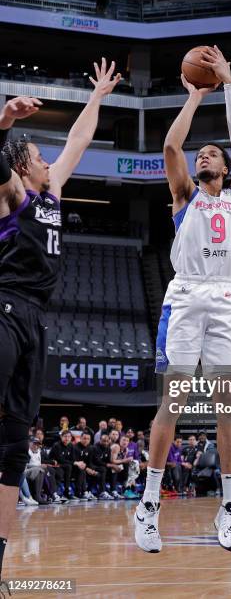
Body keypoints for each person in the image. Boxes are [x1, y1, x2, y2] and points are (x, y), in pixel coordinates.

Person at [0, 60, 121, 589]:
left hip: (37, 321)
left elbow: (78, 139)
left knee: (13, 441)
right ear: (22, 168)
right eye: (39, 157)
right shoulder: (14, 196)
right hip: (3, 306)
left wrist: (96, 96)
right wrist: (4, 121)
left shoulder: (52, 194)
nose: (50, 161)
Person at [135, 45, 231, 554]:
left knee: (229, 406)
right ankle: (148, 504)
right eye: (201, 154)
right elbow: (169, 148)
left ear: (226, 170)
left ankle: (229, 508)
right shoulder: (184, 193)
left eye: (213, 155)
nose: (204, 156)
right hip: (184, 294)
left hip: (224, 296)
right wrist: (195, 96)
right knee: (175, 399)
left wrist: (228, 85)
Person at [90, 433, 114, 500]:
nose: (106, 443)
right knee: (103, 469)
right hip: (93, 466)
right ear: (100, 440)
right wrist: (107, 465)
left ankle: (113, 490)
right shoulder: (94, 447)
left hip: (102, 466)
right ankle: (102, 492)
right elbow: (97, 461)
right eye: (104, 441)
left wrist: (113, 465)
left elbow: (108, 460)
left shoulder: (108, 448)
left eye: (107, 441)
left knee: (114, 470)